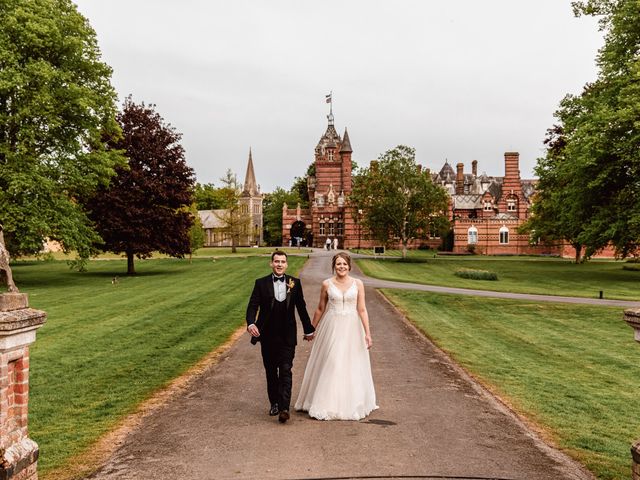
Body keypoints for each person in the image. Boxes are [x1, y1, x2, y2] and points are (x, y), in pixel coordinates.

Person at [294, 252, 377, 420]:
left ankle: (351, 402)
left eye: (344, 264)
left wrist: (368, 333)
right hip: (332, 326)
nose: (342, 267)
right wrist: (311, 329)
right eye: (338, 264)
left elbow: (362, 309)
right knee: (332, 361)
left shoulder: (358, 283)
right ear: (334, 266)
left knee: (351, 363)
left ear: (349, 266)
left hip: (353, 327)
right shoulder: (326, 284)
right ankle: (327, 403)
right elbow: (320, 308)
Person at [246, 251, 315, 423]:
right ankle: (274, 403)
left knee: (285, 370)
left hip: (287, 336)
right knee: (271, 371)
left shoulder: (295, 283)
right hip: (267, 335)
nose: (279, 264)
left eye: (282, 262)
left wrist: (308, 329)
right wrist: (251, 323)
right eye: (276, 261)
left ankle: (284, 408)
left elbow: (301, 308)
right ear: (271, 263)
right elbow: (252, 306)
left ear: (286, 264)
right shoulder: (261, 284)